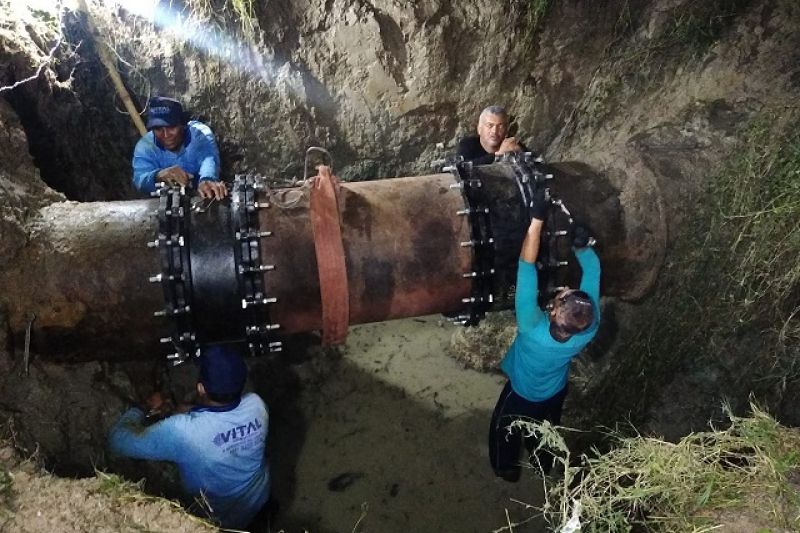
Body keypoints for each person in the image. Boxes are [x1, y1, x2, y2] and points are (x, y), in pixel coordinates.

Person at [488, 197, 601, 483]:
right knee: (547, 429)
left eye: (563, 295)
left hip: (521, 393)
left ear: (551, 311)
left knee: (504, 427)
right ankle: (543, 463)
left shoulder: (530, 325)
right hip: (554, 393)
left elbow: (526, 267)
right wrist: (582, 247)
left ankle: (506, 467)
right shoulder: (588, 328)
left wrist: (536, 221)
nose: (566, 289)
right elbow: (593, 272)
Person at [108, 344, 270, 529]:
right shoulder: (257, 405)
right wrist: (189, 411)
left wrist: (145, 407)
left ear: (201, 388)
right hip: (258, 500)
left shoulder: (183, 432)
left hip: (218, 520)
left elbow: (118, 441)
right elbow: (220, 421)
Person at [132, 96, 228, 199]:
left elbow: (209, 160)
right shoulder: (145, 146)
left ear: (183, 124)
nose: (166, 135)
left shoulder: (200, 136)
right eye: (158, 129)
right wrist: (158, 176)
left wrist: (207, 180)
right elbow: (139, 179)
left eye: (171, 127)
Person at [457, 105, 527, 165]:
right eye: (490, 125)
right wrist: (498, 155)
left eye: (500, 127)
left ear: (506, 130)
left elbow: (535, 168)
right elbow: (463, 168)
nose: (494, 131)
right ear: (479, 128)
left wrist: (522, 155)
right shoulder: (468, 144)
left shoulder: (510, 145)